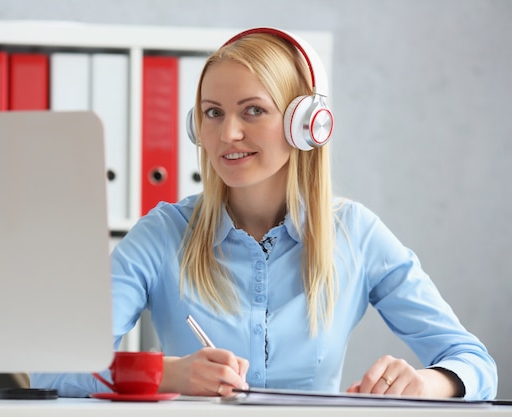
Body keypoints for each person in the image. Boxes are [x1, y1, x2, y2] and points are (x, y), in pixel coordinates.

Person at [30, 27, 497, 400]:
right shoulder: (163, 234)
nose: (227, 132)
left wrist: (430, 383)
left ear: (306, 125)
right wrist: (166, 375)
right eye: (212, 113)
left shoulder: (355, 234)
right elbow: (53, 368)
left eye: (252, 110)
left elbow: (474, 363)